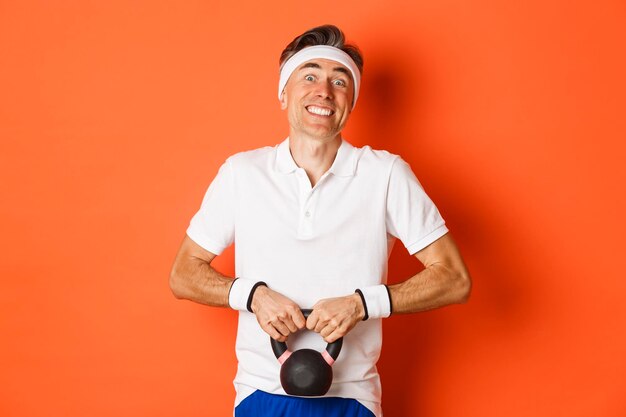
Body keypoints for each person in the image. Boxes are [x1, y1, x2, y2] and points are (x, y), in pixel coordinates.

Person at [170, 24, 471, 417]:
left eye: (339, 81)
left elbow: (454, 278)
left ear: (352, 101)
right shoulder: (241, 173)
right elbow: (183, 274)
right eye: (309, 75)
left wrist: (363, 304)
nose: (323, 91)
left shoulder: (385, 174)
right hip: (259, 392)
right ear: (284, 93)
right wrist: (253, 295)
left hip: (353, 399)